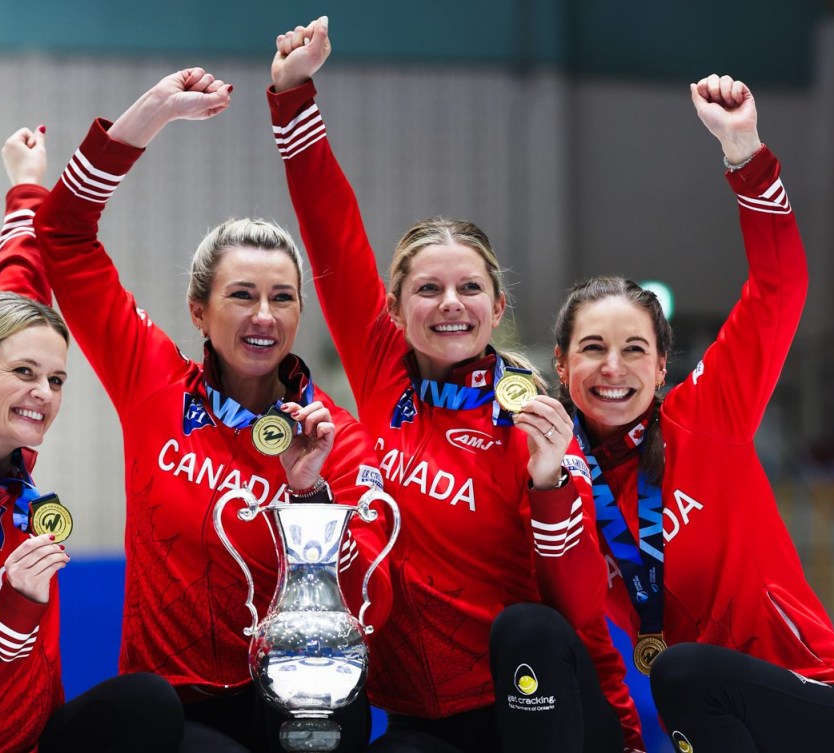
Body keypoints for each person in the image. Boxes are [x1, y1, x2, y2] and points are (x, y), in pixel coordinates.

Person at [268, 17, 643, 753]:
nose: (449, 303)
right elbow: (330, 230)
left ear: (497, 307)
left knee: (527, 626)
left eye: (469, 287)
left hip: (541, 707)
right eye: (429, 288)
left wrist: (549, 487)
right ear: (395, 306)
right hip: (427, 715)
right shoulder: (381, 368)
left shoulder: (534, 416)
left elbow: (577, 605)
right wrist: (292, 94)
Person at [5, 69, 394, 752]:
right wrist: (149, 115)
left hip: (285, 696)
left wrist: (310, 495)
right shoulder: (152, 381)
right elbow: (63, 235)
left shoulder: (337, 439)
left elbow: (371, 603)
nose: (264, 317)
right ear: (199, 312)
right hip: (170, 711)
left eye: (283, 298)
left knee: (334, 720)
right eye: (242, 294)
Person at [551, 74, 834, 753]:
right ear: (561, 366)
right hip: (711, 723)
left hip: (827, 708)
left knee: (682, 671)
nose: (613, 368)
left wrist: (744, 152)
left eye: (633, 350)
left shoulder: (705, 414)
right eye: (592, 348)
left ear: (660, 366)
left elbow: (779, 286)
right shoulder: (563, 487)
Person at [0, 289, 184, 752]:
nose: (44, 393)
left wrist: (22, 218)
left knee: (146, 704)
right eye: (24, 372)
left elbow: (18, 280)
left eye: (56, 380)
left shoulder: (3, 478)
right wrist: (15, 611)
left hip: (28, 740)